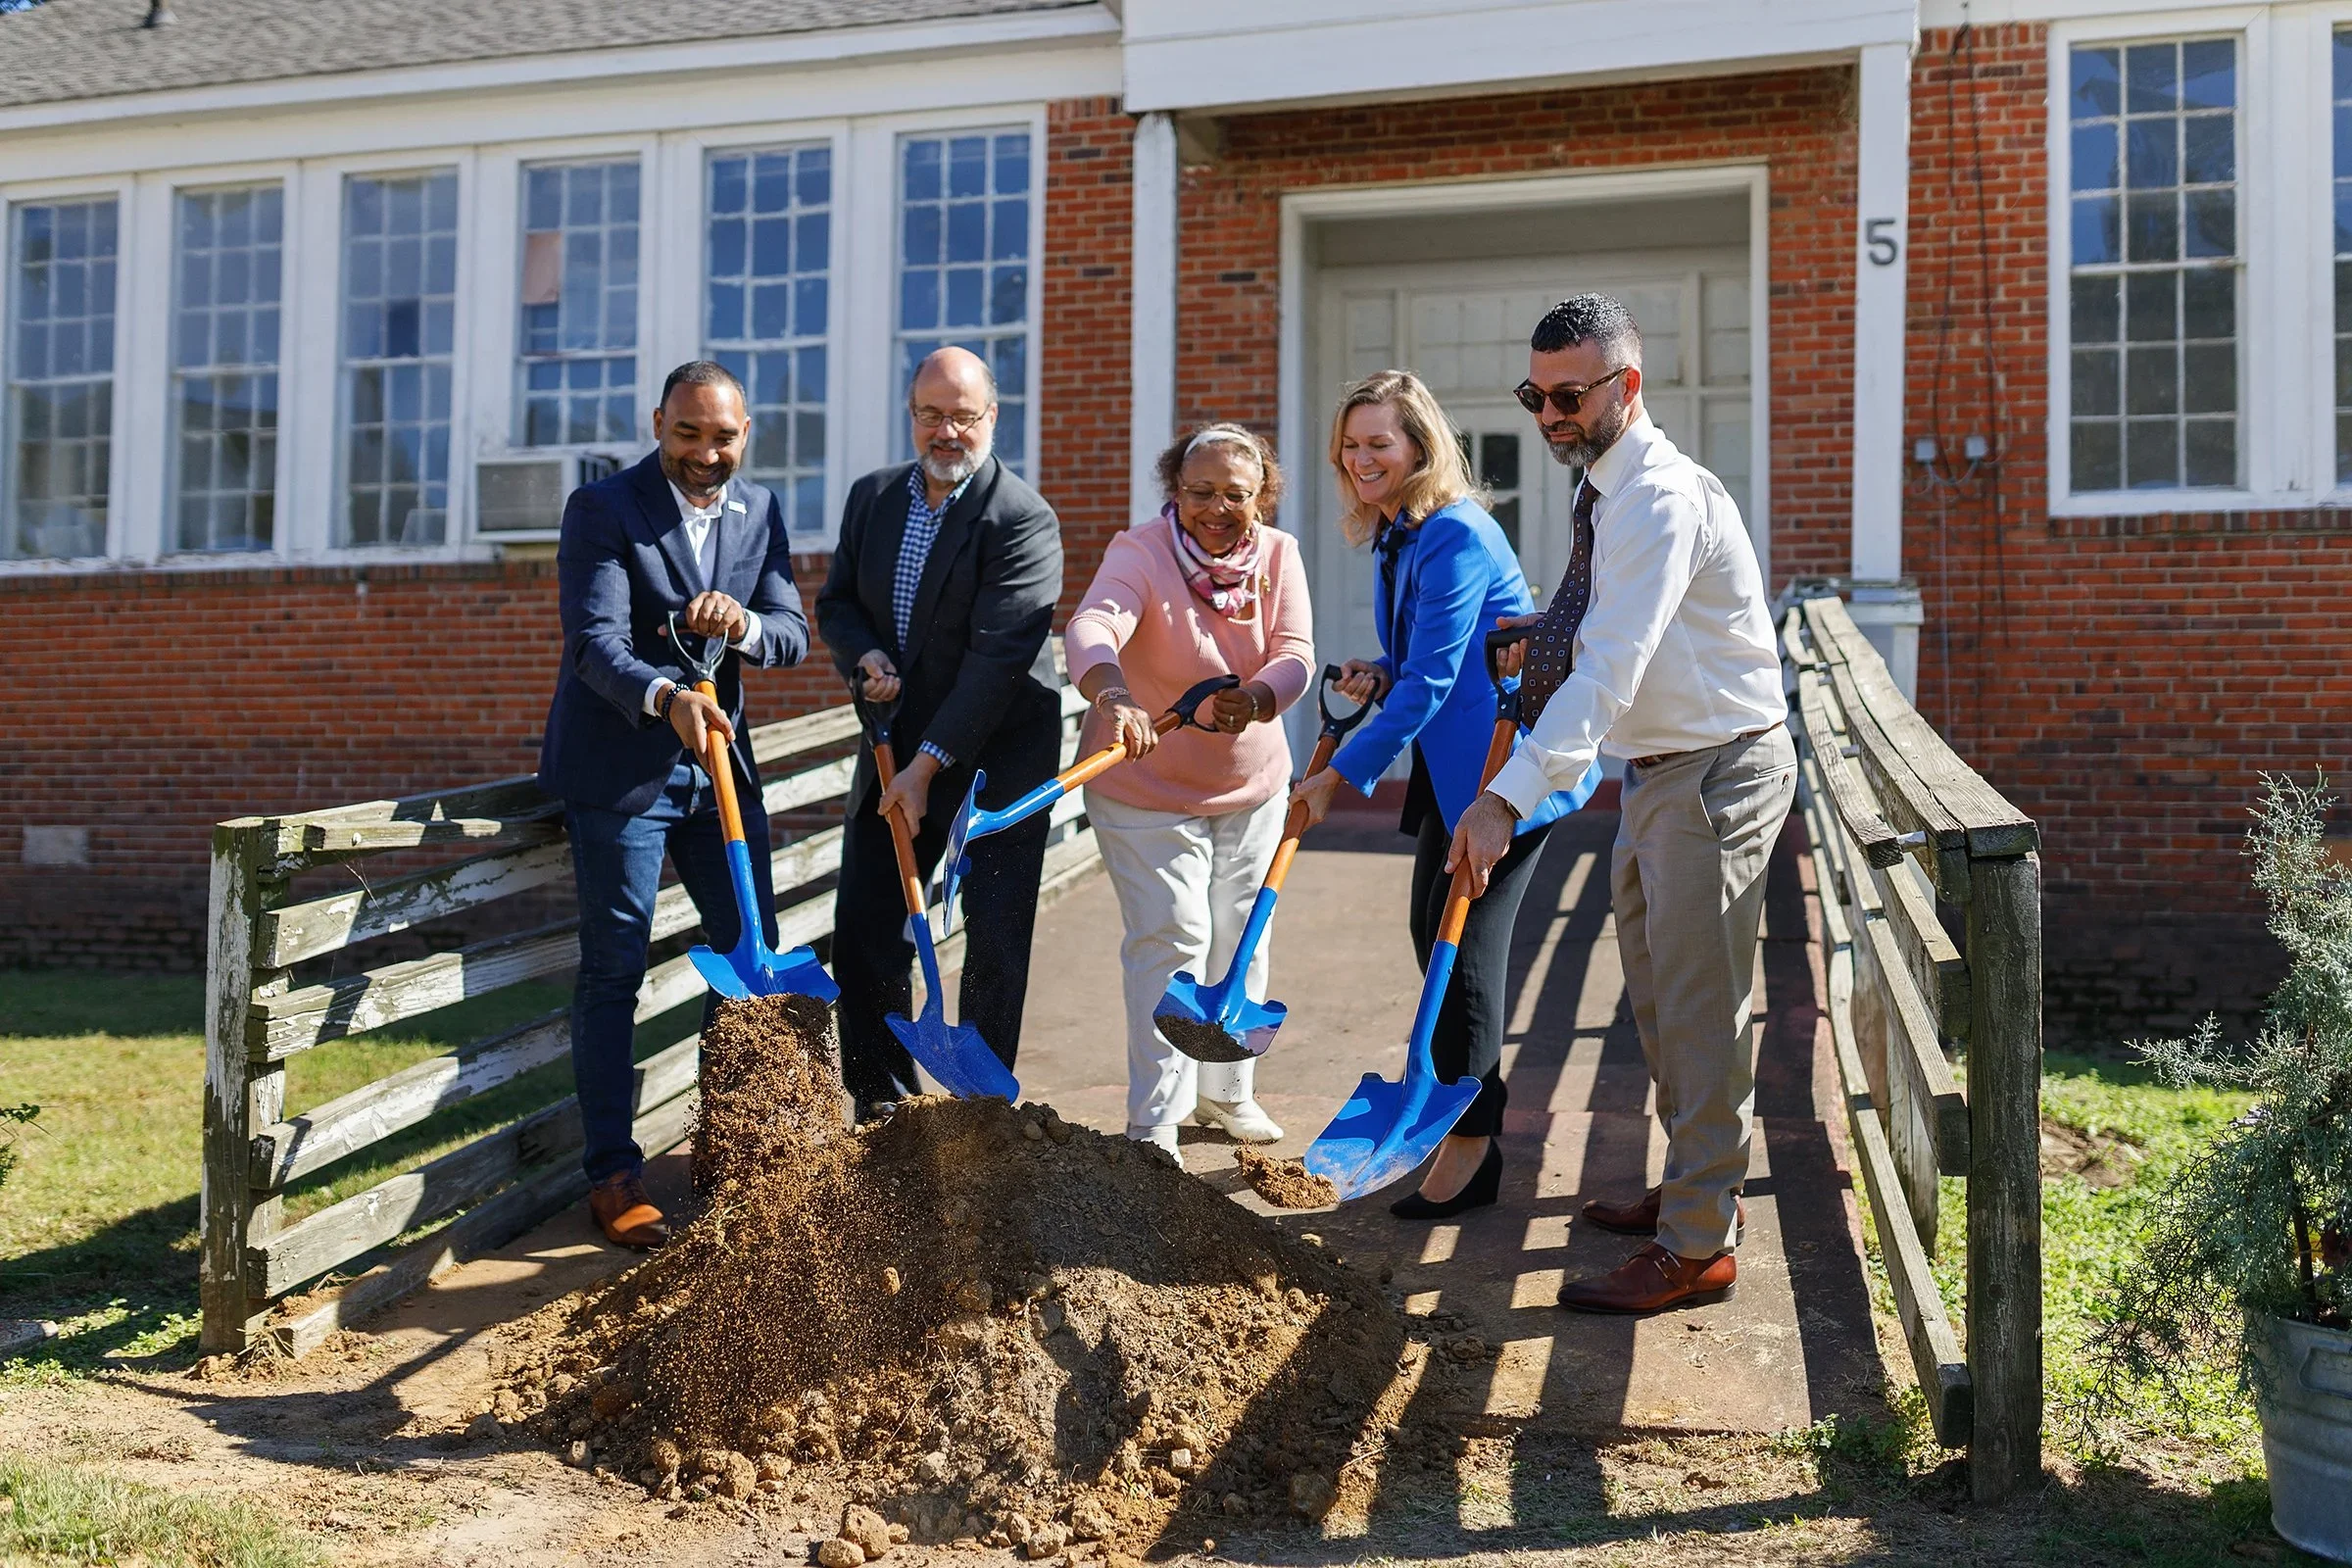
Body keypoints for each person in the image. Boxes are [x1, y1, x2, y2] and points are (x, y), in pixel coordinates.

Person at [1449, 293, 1794, 1315]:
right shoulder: (1604, 488)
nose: (1548, 415)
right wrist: (1533, 625)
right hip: (1658, 773)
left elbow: (1606, 672)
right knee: (1657, 998)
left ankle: (1700, 1244)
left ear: (1626, 386)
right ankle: (1694, 1188)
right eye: (1535, 395)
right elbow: (1586, 620)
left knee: (1700, 1009)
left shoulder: (1659, 500)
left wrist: (1504, 803)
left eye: (1568, 395)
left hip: (1715, 773)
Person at [1291, 370, 1592, 1219]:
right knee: (1434, 936)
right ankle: (1468, 1125)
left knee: (1463, 956)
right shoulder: (1400, 535)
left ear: (1420, 447)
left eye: (1378, 443)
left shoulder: (1456, 534)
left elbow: (1430, 685)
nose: (1360, 459)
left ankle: (1469, 1148)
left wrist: (1335, 776)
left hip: (1509, 776)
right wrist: (1375, 674)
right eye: (1350, 446)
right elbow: (1426, 667)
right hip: (1454, 770)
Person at [538, 360, 811, 1250]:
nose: (705, 453)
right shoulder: (604, 509)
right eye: (687, 433)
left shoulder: (759, 510)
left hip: (719, 771)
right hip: (622, 770)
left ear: (746, 433)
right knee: (615, 964)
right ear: (659, 423)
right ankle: (613, 1176)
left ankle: (730, 1151)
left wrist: (743, 627)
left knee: (749, 949)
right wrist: (666, 697)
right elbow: (595, 645)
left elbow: (790, 631)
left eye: (722, 436)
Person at [818, 346, 1063, 1117]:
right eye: (932, 415)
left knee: (992, 936)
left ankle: (981, 1112)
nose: (947, 431)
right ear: (912, 416)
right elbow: (837, 604)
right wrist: (865, 658)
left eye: (964, 415)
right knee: (865, 925)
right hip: (893, 744)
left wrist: (927, 768)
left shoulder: (1021, 517)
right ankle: (882, 1103)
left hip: (998, 757)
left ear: (993, 417)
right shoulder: (873, 498)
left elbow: (996, 662)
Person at [1065, 423, 1314, 1167]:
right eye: (1199, 492)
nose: (1215, 508)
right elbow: (1093, 626)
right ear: (1175, 490)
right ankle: (1155, 1122)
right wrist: (1113, 695)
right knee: (1172, 939)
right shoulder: (1139, 553)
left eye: (1234, 495)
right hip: (1144, 785)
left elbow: (1295, 653)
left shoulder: (1278, 555)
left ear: (1260, 497)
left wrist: (1263, 699)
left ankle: (1227, 1091)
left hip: (1251, 786)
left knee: (1243, 940)